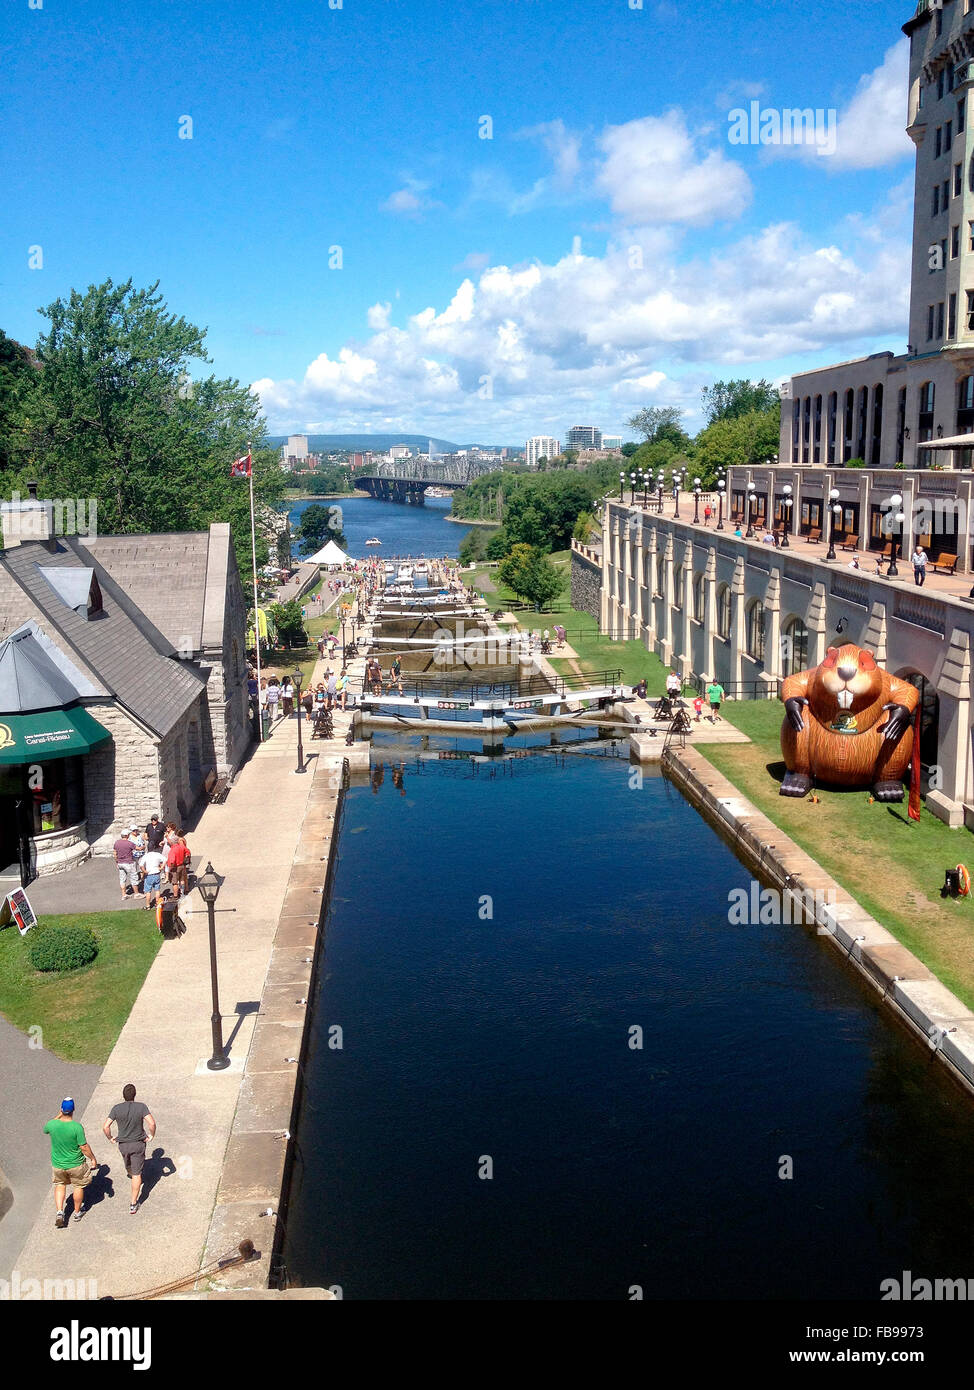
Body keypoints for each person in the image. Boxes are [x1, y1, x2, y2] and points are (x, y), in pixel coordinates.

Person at [103, 1084, 156, 1215]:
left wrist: (110, 1138)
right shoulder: (141, 1107)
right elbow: (152, 1123)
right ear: (135, 1094)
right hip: (138, 1144)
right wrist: (151, 1135)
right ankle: (133, 1203)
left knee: (129, 1167)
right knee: (137, 1174)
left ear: (123, 1095)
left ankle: (131, 1173)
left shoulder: (116, 1108)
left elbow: (106, 1126)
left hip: (123, 1145)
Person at [45, 1098, 98, 1227]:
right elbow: (84, 1147)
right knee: (78, 1186)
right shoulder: (76, 1127)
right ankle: (77, 1212)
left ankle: (59, 1212)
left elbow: (46, 1129)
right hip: (75, 1164)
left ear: (62, 1110)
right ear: (73, 1110)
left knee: (60, 1184)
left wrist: (59, 1114)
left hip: (58, 1164)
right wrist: (92, 1158)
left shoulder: (52, 1124)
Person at [113, 829, 139, 900]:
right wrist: (143, 847)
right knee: (134, 878)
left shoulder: (117, 843)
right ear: (127, 835)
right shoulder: (129, 843)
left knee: (122, 879)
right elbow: (137, 848)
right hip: (128, 863)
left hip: (120, 863)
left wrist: (117, 862)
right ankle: (136, 894)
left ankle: (124, 895)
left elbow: (115, 854)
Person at [140, 841, 165, 910]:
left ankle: (148, 906)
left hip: (149, 875)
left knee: (148, 891)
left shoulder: (146, 856)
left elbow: (141, 865)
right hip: (156, 874)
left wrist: (144, 871)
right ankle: (157, 904)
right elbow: (165, 859)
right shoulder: (157, 854)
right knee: (157, 890)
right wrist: (161, 867)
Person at [168, 832, 191, 900]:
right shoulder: (182, 847)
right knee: (182, 879)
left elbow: (172, 861)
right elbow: (188, 852)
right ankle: (182, 893)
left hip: (175, 867)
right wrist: (186, 857)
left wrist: (171, 868)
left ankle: (175, 896)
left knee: (175, 882)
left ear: (172, 842)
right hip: (182, 866)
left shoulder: (173, 850)